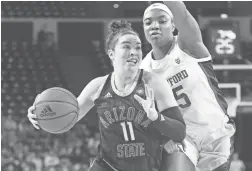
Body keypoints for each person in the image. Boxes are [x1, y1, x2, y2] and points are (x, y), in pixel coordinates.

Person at [27, 20, 186, 171]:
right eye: (126, 46)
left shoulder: (154, 83)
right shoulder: (98, 86)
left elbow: (179, 132)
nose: (134, 52)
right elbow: (69, 115)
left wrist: (155, 117)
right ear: (111, 53)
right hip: (107, 166)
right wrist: (40, 113)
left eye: (138, 47)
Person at [141, 2, 236, 171]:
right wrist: (162, 138)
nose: (154, 25)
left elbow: (182, 14)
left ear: (173, 25)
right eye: (148, 22)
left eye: (162, 20)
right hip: (183, 138)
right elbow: (148, 115)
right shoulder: (143, 71)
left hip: (215, 134)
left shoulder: (188, 46)